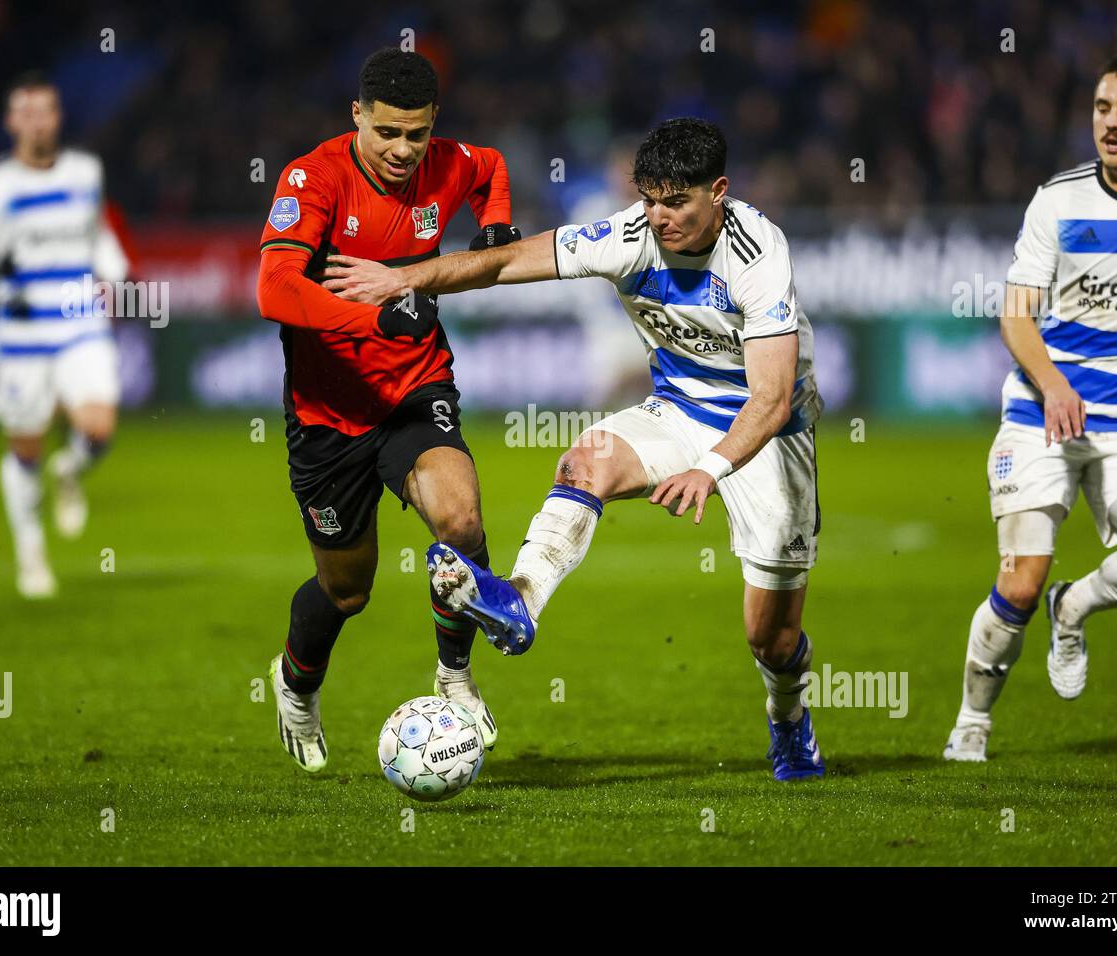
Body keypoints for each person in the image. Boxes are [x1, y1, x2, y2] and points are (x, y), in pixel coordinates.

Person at [325, 118, 828, 781]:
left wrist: (709, 469)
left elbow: (770, 397)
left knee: (771, 637)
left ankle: (789, 721)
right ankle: (519, 604)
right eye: (650, 198)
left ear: (719, 193)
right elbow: (504, 261)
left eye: (676, 202)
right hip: (678, 410)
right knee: (584, 459)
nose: (659, 216)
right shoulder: (628, 236)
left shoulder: (758, 254)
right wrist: (408, 279)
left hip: (768, 435)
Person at [256, 47, 520, 773]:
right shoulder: (314, 178)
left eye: (418, 134)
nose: (404, 150)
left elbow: (490, 164)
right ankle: (296, 685)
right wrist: (373, 318)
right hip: (327, 414)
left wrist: (495, 224)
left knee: (461, 519)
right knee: (347, 590)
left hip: (415, 387)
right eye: (388, 134)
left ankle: (455, 678)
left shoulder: (448, 161)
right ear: (357, 117)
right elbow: (275, 291)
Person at [943, 54, 1117, 762]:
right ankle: (973, 720)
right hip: (1041, 416)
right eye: (1101, 108)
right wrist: (1056, 385)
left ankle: (1077, 604)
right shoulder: (1058, 200)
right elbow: (1016, 316)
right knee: (1020, 583)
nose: (1111, 123)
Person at [0, 71, 128, 599]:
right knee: (24, 445)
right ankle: (31, 555)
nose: (35, 122)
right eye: (25, 112)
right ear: (10, 122)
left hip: (79, 319)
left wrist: (116, 271)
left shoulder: (83, 171)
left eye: (45, 111)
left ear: (58, 118)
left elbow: (96, 233)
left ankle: (70, 468)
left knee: (98, 425)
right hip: (21, 332)